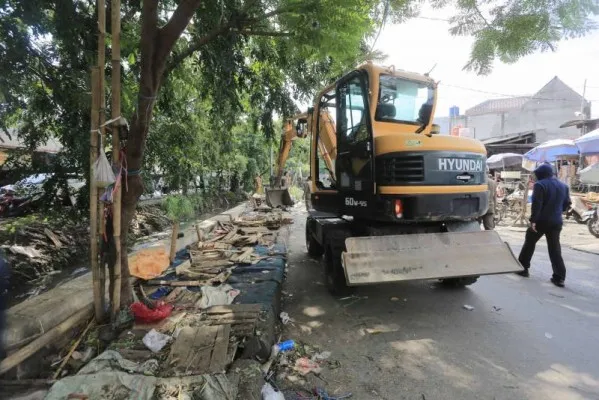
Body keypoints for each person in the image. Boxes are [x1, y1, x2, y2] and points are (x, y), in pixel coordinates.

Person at [517, 163, 571, 287]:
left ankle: (523, 268)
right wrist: (556, 211)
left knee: (529, 243)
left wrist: (533, 221)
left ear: (541, 174)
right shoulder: (564, 186)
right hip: (556, 222)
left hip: (541, 221)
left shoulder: (540, 185)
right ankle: (559, 277)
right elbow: (567, 204)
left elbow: (537, 205)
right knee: (555, 249)